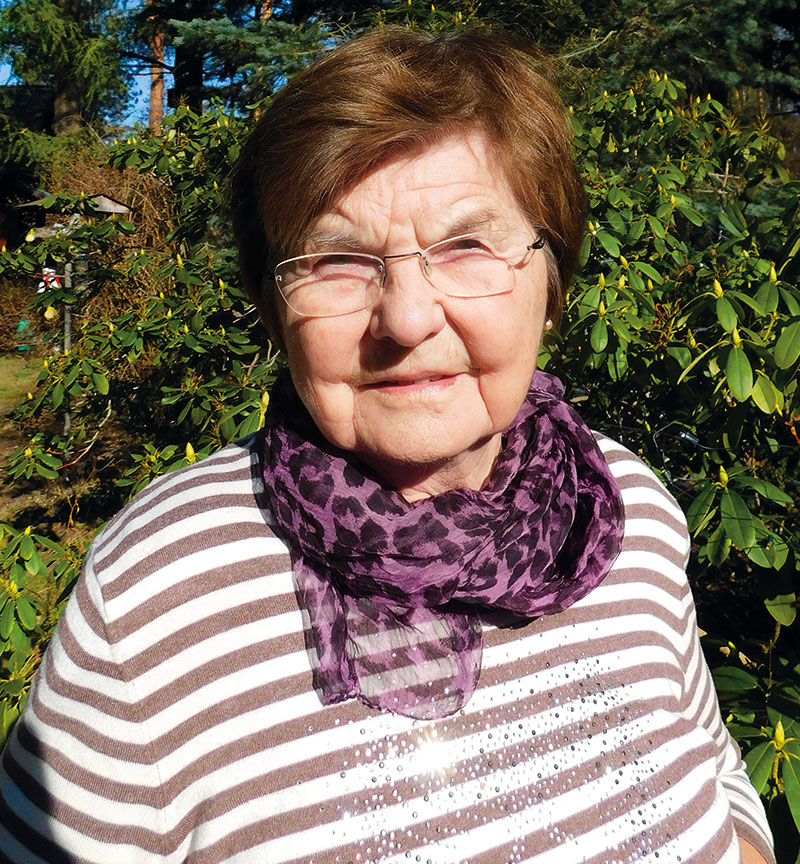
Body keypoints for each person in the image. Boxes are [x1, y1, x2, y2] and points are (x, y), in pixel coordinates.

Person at [0, 28, 775, 864]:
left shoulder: (621, 502)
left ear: (550, 280)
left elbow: (714, 766)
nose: (407, 319)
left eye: (468, 245)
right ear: (275, 309)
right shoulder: (159, 589)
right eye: (337, 259)